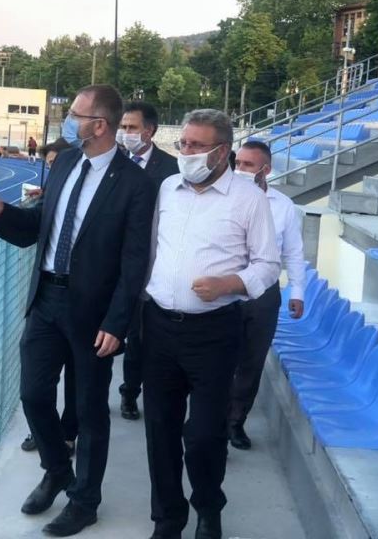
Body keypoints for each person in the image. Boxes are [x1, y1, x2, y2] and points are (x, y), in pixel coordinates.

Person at [0, 84, 155, 537]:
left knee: (89, 411)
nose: (67, 120)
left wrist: (117, 322)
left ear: (99, 125)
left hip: (94, 314)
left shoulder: (136, 184)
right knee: (33, 394)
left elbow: (135, 262)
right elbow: (39, 227)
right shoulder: (65, 163)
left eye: (75, 115)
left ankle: (84, 502)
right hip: (46, 300)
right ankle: (56, 470)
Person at [142, 109, 280, 539]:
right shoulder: (168, 189)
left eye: (197, 146)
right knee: (160, 430)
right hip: (159, 326)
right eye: (183, 143)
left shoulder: (249, 198)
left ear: (222, 152)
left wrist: (229, 283)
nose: (187, 152)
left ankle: (207, 506)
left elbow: (268, 264)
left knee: (203, 435)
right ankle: (168, 519)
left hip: (214, 332)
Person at [227, 141, 306, 451]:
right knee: (219, 358)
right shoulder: (224, 197)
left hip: (263, 294)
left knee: (252, 361)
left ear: (266, 169)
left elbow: (294, 252)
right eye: (238, 163)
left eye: (248, 165)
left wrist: (297, 290)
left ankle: (236, 422)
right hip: (227, 288)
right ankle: (212, 420)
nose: (240, 169)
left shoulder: (283, 206)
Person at [115, 101, 178, 421]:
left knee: (138, 338)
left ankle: (130, 392)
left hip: (148, 266)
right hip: (110, 264)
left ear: (149, 131)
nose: (125, 133)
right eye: (122, 127)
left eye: (131, 127)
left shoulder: (171, 169)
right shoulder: (111, 161)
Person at [21, 137, 78, 455]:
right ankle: (46, 434)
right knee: (37, 385)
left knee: (77, 378)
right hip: (46, 294)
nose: (51, 170)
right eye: (49, 165)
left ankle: (68, 434)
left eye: (55, 164)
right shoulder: (54, 189)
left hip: (84, 298)